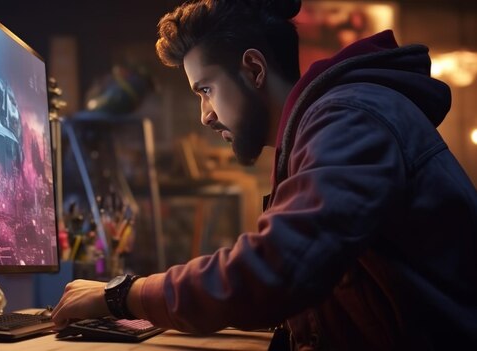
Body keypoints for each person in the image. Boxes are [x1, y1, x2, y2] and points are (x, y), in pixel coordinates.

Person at [52, 0, 477, 349]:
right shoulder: (327, 125)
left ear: (254, 69)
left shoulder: (349, 118)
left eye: (206, 90)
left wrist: (123, 296)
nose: (205, 115)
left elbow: (276, 269)